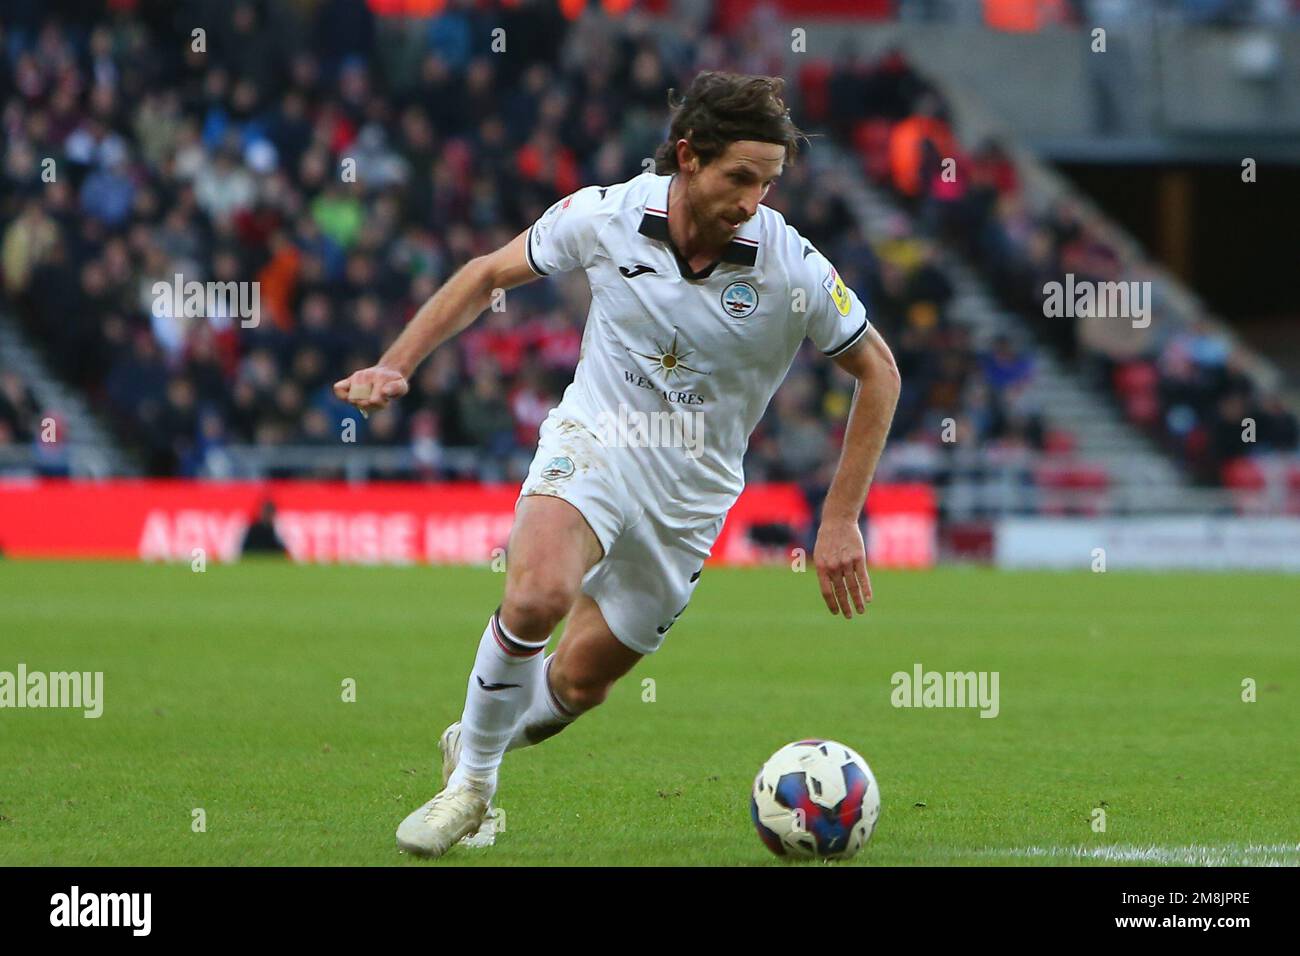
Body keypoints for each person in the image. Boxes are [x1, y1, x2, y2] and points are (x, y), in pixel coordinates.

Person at [334, 72, 901, 858]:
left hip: (691, 497)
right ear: (688, 157)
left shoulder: (789, 267)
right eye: (740, 177)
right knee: (536, 595)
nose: (754, 200)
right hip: (595, 441)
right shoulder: (607, 215)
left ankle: (472, 735)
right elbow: (485, 275)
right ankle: (471, 790)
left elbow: (880, 370)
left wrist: (839, 519)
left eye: (768, 184)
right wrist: (396, 363)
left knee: (577, 684)